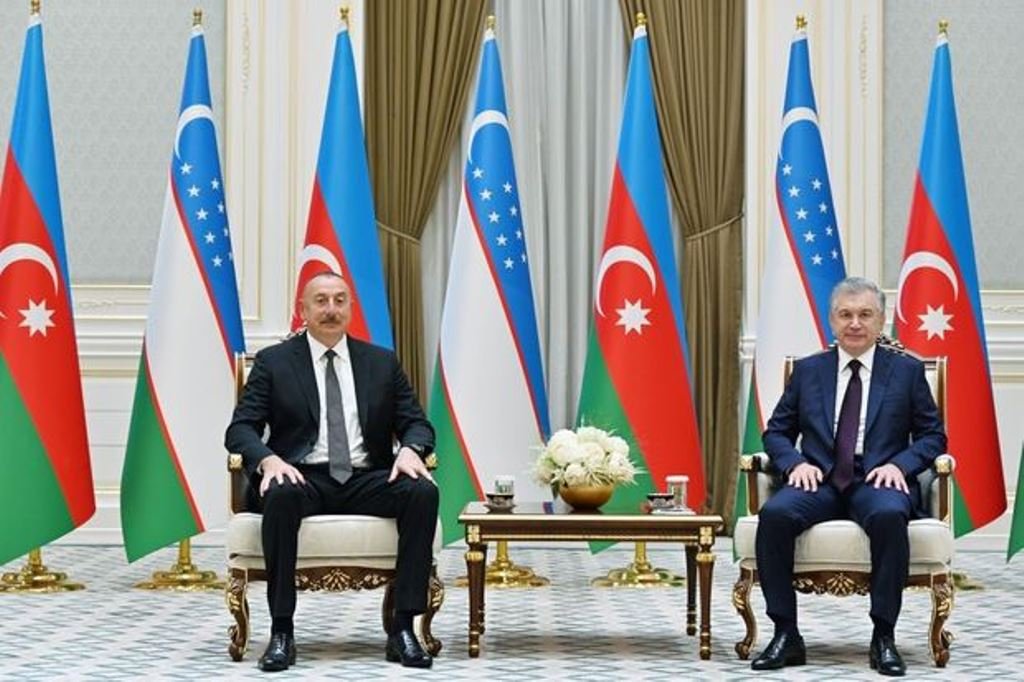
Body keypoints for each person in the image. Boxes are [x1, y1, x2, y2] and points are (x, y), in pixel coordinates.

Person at [225, 271, 438, 671]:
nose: (331, 309)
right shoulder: (274, 362)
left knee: (422, 491)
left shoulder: (381, 362)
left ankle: (403, 628)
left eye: (340, 300)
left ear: (351, 309)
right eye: (320, 301)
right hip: (301, 476)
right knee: (281, 493)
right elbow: (240, 429)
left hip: (365, 477)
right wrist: (269, 460)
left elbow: (417, 423)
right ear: (302, 310)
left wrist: (411, 450)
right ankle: (282, 631)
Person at [751, 276, 946, 677]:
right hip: (818, 479)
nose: (855, 323)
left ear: (881, 321)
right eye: (845, 315)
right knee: (774, 516)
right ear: (832, 321)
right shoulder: (808, 371)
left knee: (890, 516)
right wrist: (795, 464)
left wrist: (899, 466)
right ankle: (786, 634)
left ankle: (883, 637)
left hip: (878, 480)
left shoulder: (906, 372)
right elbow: (776, 432)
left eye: (865, 315)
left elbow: (933, 436)